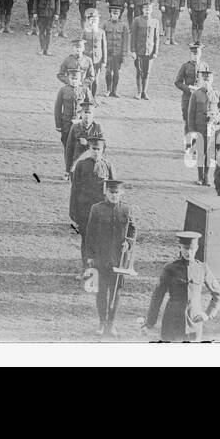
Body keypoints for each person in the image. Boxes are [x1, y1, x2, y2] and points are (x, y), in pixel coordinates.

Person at [141, 230, 220, 341]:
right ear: (179, 247)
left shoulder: (202, 268)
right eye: (185, 248)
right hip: (172, 322)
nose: (188, 252)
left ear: (197, 248)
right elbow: (157, 297)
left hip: (194, 322)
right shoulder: (170, 268)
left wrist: (208, 314)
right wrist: (149, 323)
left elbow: (218, 294)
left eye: (191, 249)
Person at [85, 178, 136, 337]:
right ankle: (101, 322)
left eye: (117, 193)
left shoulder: (127, 209)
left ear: (122, 193)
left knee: (116, 292)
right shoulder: (97, 209)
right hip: (101, 258)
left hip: (119, 259)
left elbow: (132, 231)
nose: (114, 195)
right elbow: (90, 234)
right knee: (101, 292)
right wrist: (90, 256)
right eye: (111, 192)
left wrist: (128, 243)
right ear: (106, 192)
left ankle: (111, 324)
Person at [70, 136, 115, 277]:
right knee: (86, 241)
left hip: (102, 212)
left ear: (103, 150)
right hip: (85, 212)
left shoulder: (108, 166)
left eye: (98, 149)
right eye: (93, 149)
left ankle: (99, 271)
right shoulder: (81, 165)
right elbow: (75, 190)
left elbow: (114, 191)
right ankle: (86, 270)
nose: (96, 152)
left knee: (101, 241)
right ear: (89, 149)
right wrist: (73, 213)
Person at [130, 0, 160, 99]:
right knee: (139, 71)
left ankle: (144, 92)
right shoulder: (137, 20)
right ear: (142, 10)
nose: (147, 11)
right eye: (145, 9)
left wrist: (155, 52)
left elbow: (156, 38)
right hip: (139, 50)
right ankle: (139, 92)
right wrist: (133, 51)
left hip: (150, 51)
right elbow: (133, 36)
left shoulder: (155, 22)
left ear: (152, 10)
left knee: (147, 72)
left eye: (149, 9)